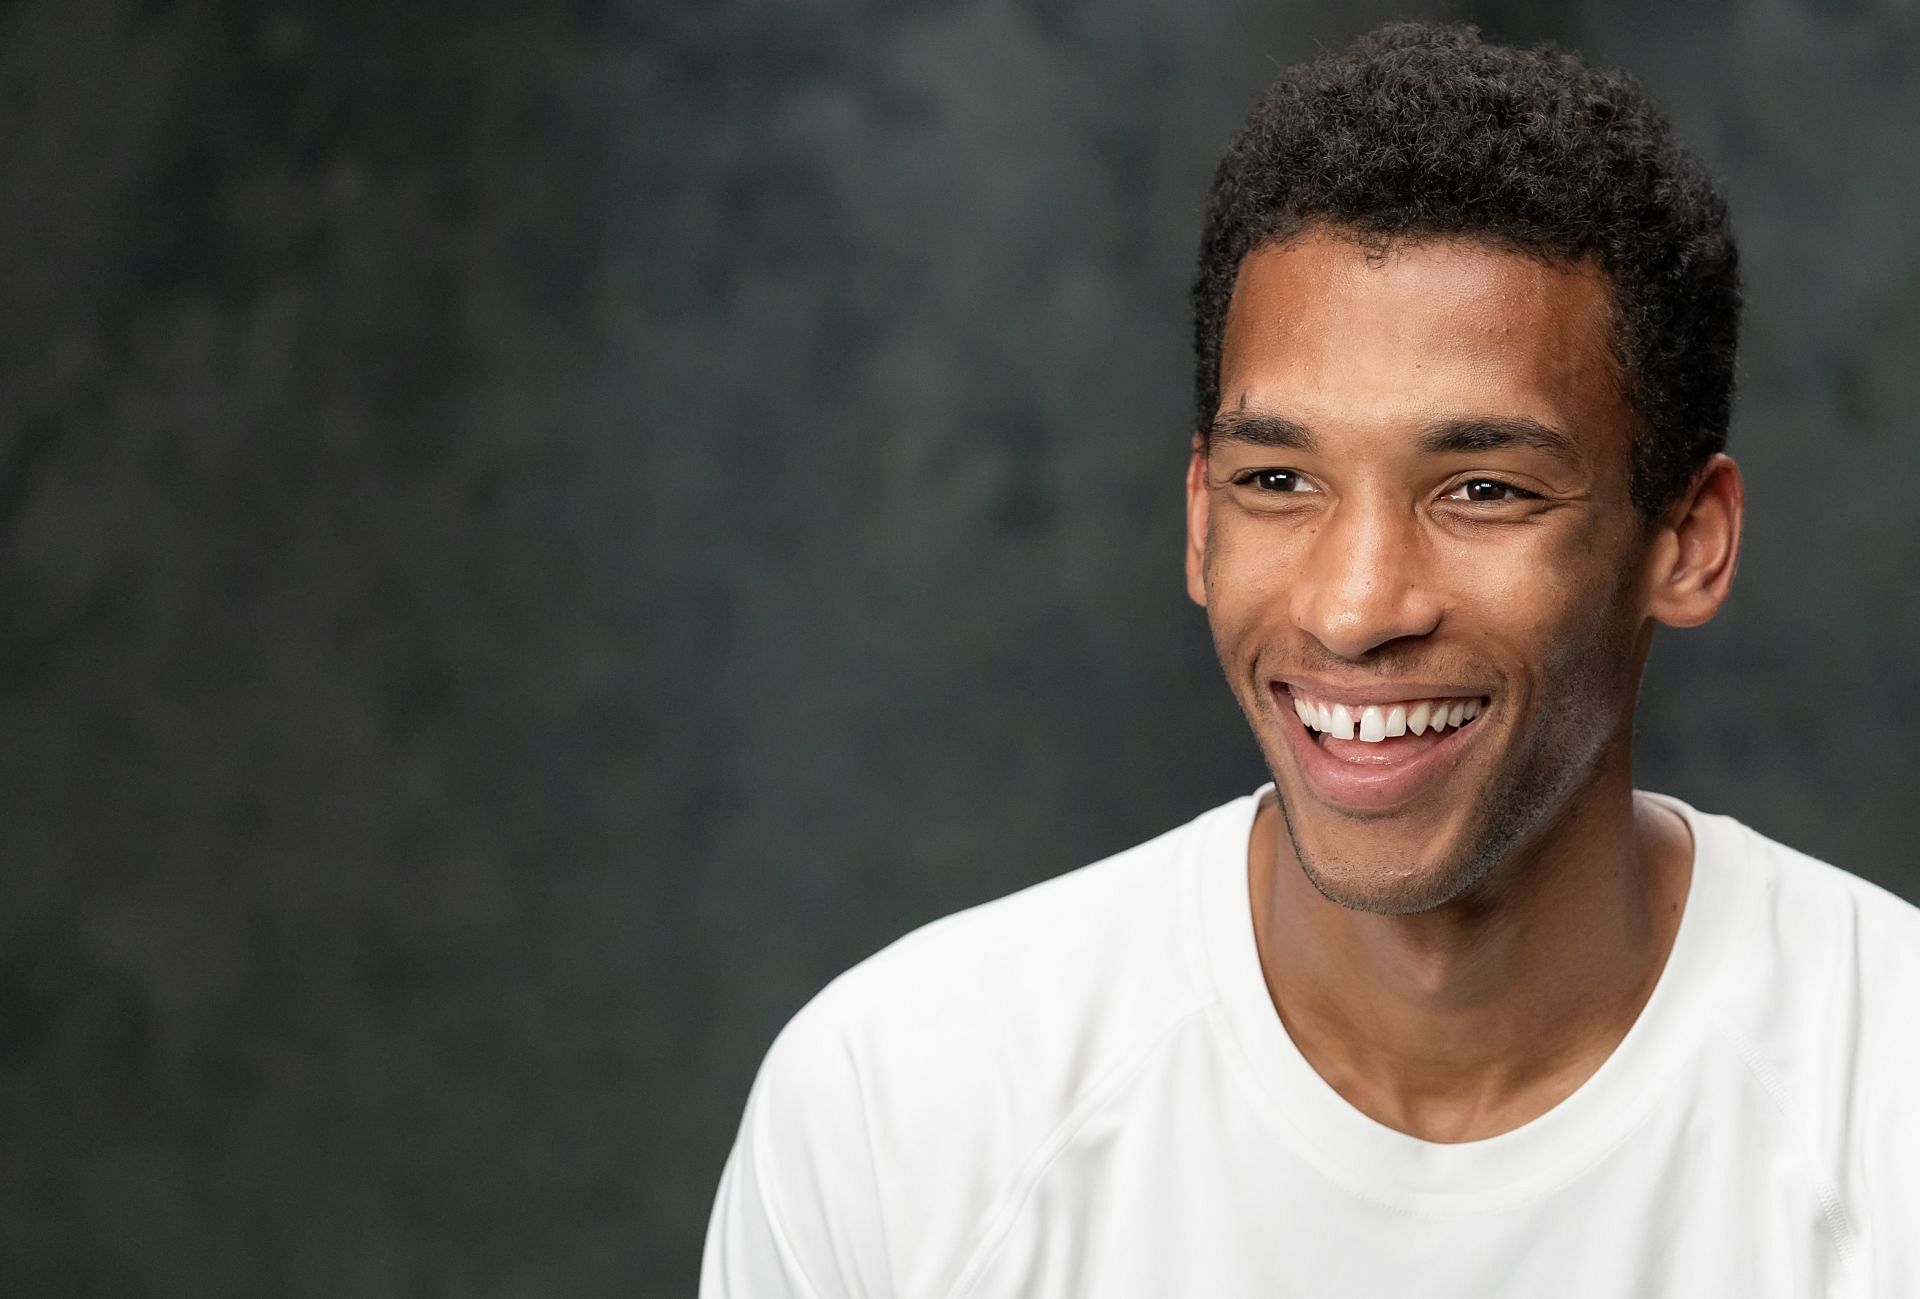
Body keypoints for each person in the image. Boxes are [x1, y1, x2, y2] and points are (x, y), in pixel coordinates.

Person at [701, 22, 1920, 1296]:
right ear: (1199, 519)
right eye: (1279, 480)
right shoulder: (903, 1111)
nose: (1353, 607)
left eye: (1485, 490)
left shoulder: (1888, 1117)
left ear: (1689, 541)